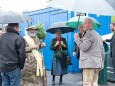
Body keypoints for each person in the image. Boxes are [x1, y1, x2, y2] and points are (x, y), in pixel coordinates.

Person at [74, 18, 104, 86]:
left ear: (90, 24)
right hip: (97, 64)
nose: (83, 25)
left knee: (87, 84)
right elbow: (102, 50)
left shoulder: (89, 34)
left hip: (89, 64)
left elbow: (84, 47)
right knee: (94, 83)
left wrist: (77, 38)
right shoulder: (98, 35)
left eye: (85, 23)